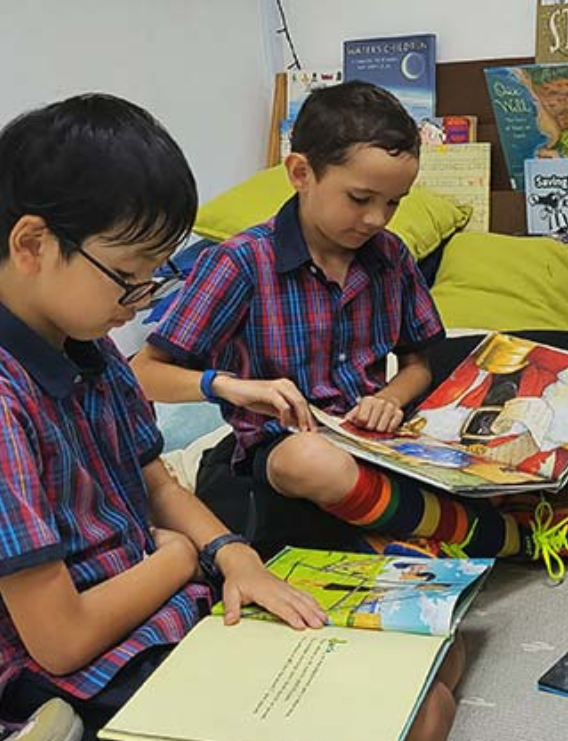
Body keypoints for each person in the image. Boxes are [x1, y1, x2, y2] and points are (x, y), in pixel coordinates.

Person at [0, 92, 460, 741]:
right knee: (415, 735)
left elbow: (158, 482)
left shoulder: (93, 350)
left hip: (173, 611)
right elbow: (59, 639)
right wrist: (177, 558)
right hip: (84, 672)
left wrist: (235, 558)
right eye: (133, 277)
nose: (140, 302)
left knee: (440, 656)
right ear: (33, 245)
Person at [132, 79, 568, 578]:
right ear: (301, 173)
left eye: (394, 203)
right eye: (360, 198)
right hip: (286, 448)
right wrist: (229, 386)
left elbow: (419, 362)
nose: (376, 219)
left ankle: (453, 524)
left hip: (384, 439)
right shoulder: (241, 263)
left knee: (532, 403)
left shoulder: (390, 257)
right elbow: (143, 373)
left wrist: (392, 397)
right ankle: (514, 538)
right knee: (315, 461)